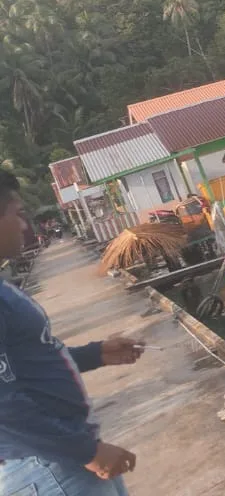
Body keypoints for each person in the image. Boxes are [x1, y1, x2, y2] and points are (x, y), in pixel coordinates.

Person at [0, 169, 145, 495]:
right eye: (18, 214)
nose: (24, 226)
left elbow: (28, 366)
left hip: (60, 457)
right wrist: (86, 452)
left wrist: (96, 354)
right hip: (48, 464)